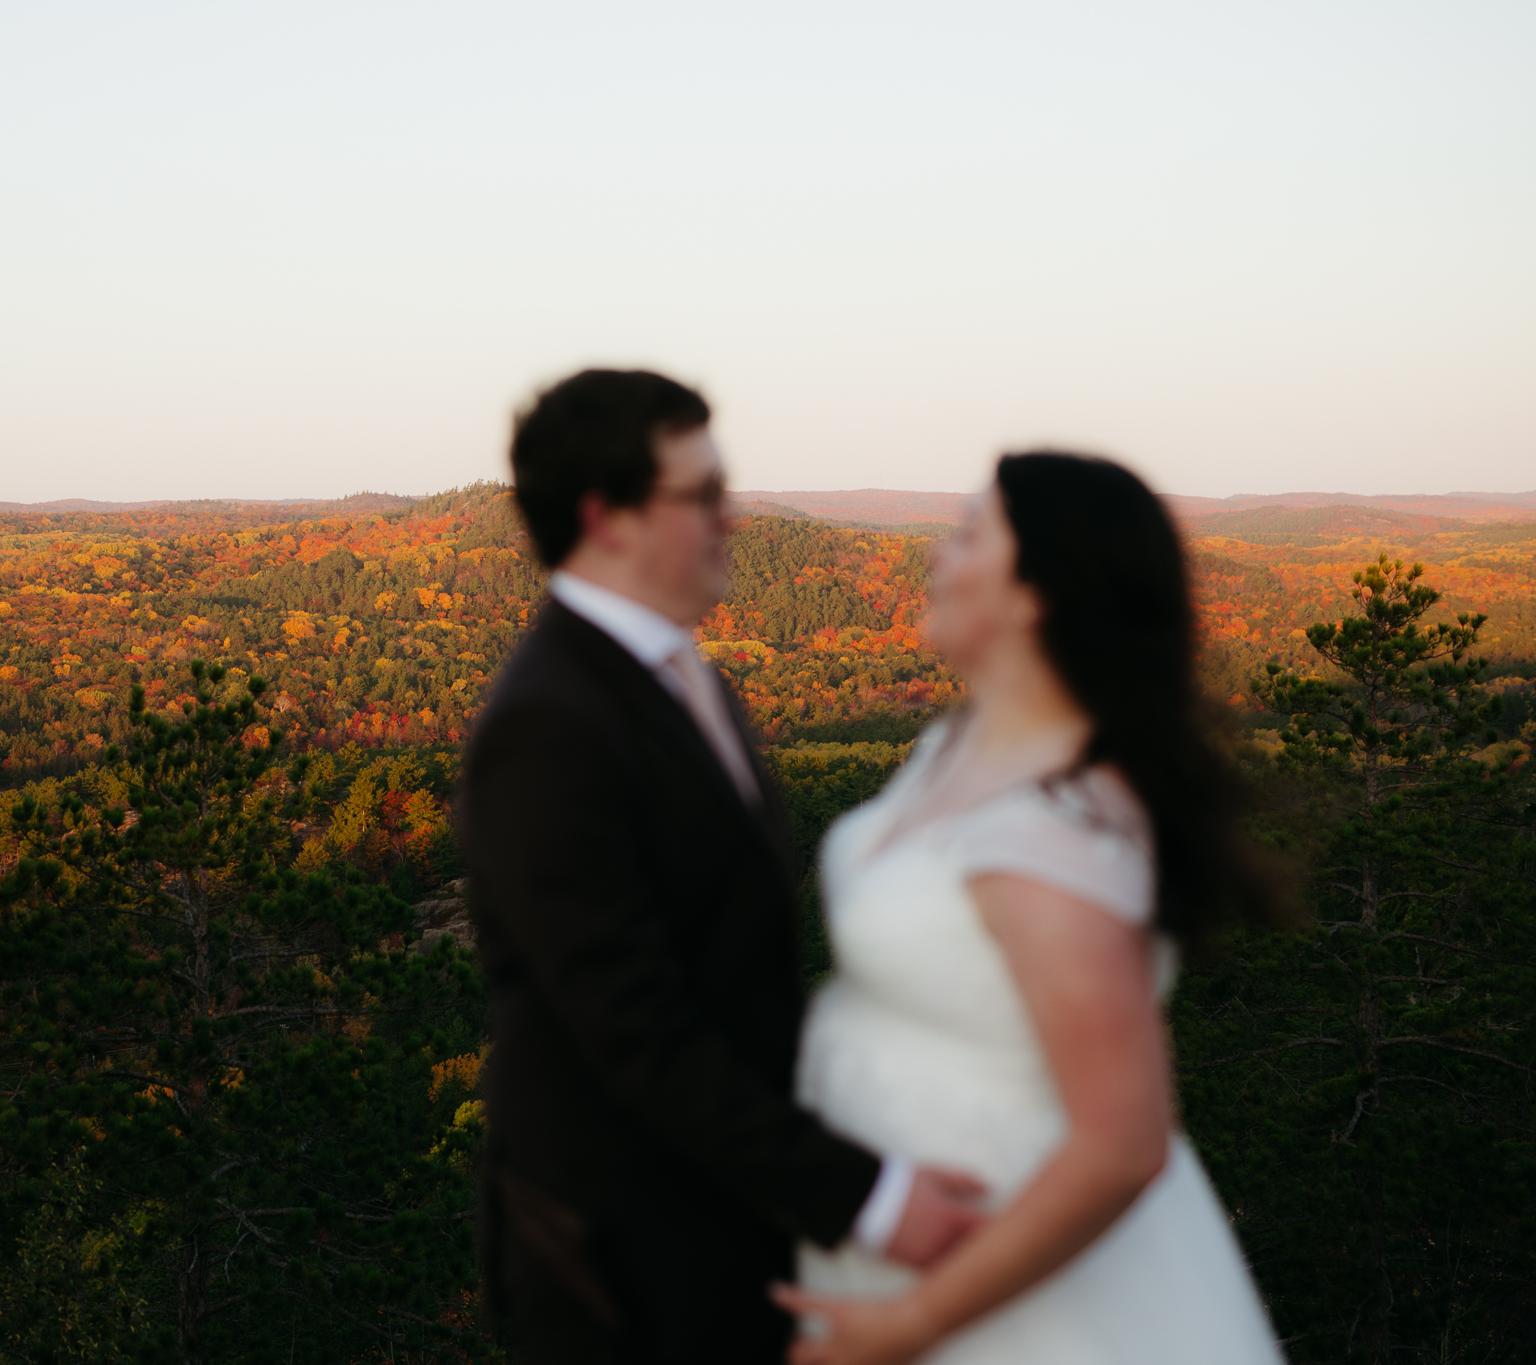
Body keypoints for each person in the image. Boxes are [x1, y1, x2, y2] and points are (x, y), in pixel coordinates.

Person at [458, 369, 988, 1363]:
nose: (730, 517)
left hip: (728, 1218)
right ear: (605, 517)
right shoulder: (548, 725)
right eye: (699, 494)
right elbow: (634, 1030)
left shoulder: (682, 678)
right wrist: (865, 1199)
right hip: (622, 1259)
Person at [770, 451, 1289, 1364]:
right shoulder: (957, 744)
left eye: (971, 532)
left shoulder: (1058, 822)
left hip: (1015, 1295)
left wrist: (916, 1324)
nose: (938, 553)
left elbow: (1123, 1142)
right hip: (896, 1238)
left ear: (1036, 594)